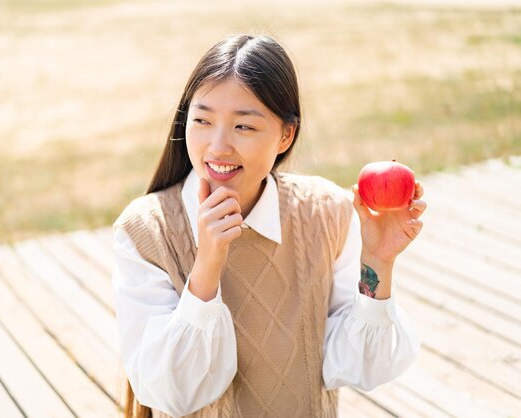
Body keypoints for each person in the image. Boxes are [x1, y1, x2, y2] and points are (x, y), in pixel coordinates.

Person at [112, 34, 426, 418]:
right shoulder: (147, 230)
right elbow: (171, 393)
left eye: (243, 127)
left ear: (286, 135)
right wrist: (208, 265)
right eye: (202, 120)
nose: (218, 146)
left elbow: (358, 365)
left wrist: (378, 260)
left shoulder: (327, 214)